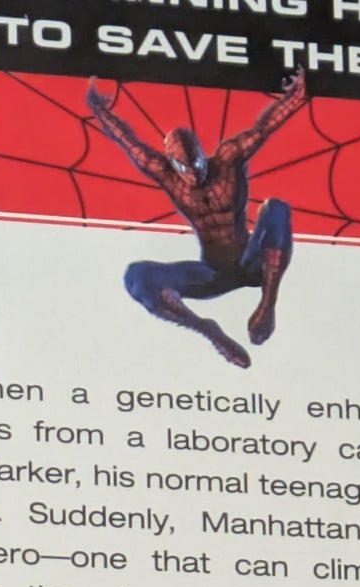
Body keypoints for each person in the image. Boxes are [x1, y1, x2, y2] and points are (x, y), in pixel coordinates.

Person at [85, 70, 307, 368]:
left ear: (203, 153)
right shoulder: (164, 173)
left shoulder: (228, 159)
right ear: (172, 163)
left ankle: (268, 305)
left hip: (252, 263)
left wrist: (295, 95)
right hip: (213, 274)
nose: (193, 174)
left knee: (276, 209)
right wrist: (99, 109)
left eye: (197, 164)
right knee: (135, 276)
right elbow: (127, 141)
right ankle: (208, 331)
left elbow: (265, 126)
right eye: (184, 168)